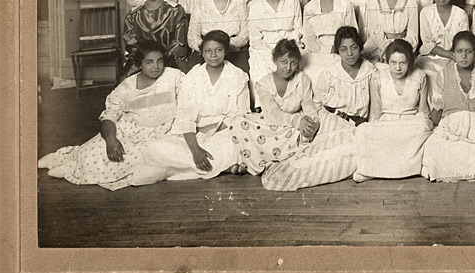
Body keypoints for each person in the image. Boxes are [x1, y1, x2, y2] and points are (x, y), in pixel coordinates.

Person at [38, 40, 183, 190]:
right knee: (94, 151)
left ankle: (72, 170)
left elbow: (189, 103)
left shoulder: (174, 77)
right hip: (129, 130)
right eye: (149, 62)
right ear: (140, 64)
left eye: (159, 61)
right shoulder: (127, 87)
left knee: (129, 159)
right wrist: (111, 140)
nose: (156, 67)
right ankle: (63, 158)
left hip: (160, 133)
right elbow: (109, 117)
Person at [261, 26, 372, 191]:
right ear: (337, 51)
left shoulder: (370, 71)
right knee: (320, 157)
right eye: (344, 49)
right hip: (332, 119)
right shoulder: (330, 74)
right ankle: (289, 175)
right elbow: (317, 104)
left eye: (354, 47)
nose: (349, 53)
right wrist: (316, 123)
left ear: (360, 48)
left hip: (357, 124)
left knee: (355, 149)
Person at [132, 31, 250, 184]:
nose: (213, 55)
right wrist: (195, 150)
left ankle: (175, 169)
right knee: (153, 147)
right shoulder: (192, 77)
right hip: (193, 134)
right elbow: (184, 116)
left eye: (218, 50)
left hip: (224, 132)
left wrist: (213, 131)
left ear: (226, 51)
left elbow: (241, 115)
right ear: (201, 52)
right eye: (208, 51)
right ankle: (218, 167)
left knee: (232, 148)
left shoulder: (238, 76)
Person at [420, 31, 475, 184]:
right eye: (459, 51)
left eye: (468, 51)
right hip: (453, 126)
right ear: (453, 53)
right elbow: (436, 112)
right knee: (432, 148)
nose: (464, 56)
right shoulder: (443, 75)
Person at [227, 39, 321, 176]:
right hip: (273, 123)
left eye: (293, 63)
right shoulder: (263, 84)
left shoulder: (302, 79)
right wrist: (296, 121)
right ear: (275, 60)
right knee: (237, 121)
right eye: (284, 62)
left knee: (303, 133)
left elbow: (308, 105)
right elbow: (272, 113)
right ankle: (258, 161)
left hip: (292, 128)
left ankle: (277, 158)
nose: (288, 67)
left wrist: (314, 122)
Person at [354, 39, 433, 181]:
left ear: (410, 62)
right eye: (393, 62)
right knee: (363, 131)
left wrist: (424, 126)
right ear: (387, 61)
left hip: (410, 124)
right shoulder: (377, 77)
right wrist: (372, 128)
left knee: (423, 127)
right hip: (387, 124)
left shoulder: (420, 76)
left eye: (402, 63)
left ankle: (416, 168)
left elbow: (423, 111)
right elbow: (375, 113)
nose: (398, 68)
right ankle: (370, 170)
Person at [414, 0, 470, 109]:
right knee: (429, 74)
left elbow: (464, 41)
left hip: (456, 57)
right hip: (431, 57)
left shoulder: (460, 14)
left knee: (456, 76)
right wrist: (449, 55)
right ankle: (434, 110)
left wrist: (454, 56)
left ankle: (450, 110)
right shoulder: (426, 13)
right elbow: (427, 44)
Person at [301, 0, 358, 84]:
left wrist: (337, 48)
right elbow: (308, 38)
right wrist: (325, 50)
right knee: (311, 73)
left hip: (341, 51)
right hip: (316, 52)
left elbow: (352, 34)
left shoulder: (345, 4)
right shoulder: (310, 7)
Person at [186, 0, 250, 73]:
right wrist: (209, 49)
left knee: (239, 73)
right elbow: (192, 37)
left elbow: (245, 34)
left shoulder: (240, 4)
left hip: (233, 50)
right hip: (206, 50)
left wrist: (226, 47)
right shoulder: (201, 5)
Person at [122, 0, 189, 71]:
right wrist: (148, 61)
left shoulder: (175, 11)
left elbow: (180, 44)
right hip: (142, 63)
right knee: (125, 82)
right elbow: (131, 46)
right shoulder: (133, 15)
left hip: (169, 61)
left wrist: (159, 60)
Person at [247, 0, 303, 87]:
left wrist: (286, 48)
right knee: (262, 70)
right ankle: (262, 105)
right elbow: (255, 38)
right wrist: (272, 51)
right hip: (264, 49)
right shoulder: (256, 6)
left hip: (289, 45)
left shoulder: (292, 0)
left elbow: (298, 28)